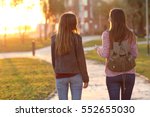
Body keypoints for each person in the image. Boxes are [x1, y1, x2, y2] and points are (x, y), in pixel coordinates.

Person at [96, 8, 138, 100]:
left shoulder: (107, 34)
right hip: (129, 74)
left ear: (112, 19)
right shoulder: (130, 34)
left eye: (109, 17)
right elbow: (135, 54)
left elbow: (105, 54)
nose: (108, 20)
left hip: (112, 74)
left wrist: (98, 49)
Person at [51, 12, 89, 100]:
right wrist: (85, 78)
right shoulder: (77, 38)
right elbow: (81, 59)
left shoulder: (54, 39)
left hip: (60, 76)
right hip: (76, 75)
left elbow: (54, 60)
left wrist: (57, 72)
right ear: (73, 24)